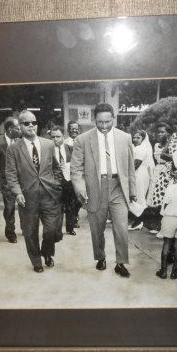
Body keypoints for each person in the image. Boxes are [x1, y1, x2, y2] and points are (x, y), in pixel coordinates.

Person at [70, 103, 137, 278]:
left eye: (108, 122)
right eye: (100, 122)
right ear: (95, 120)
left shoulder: (125, 137)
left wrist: (132, 191)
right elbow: (76, 169)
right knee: (97, 229)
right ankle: (100, 257)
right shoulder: (83, 140)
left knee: (122, 228)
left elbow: (130, 167)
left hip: (118, 188)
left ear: (114, 118)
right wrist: (80, 189)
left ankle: (121, 263)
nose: (104, 126)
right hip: (95, 189)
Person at [6, 110, 64, 273]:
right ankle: (36, 261)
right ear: (20, 126)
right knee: (30, 232)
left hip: (49, 194)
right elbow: (10, 174)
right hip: (27, 197)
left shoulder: (48, 144)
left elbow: (56, 167)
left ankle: (47, 252)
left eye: (34, 122)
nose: (31, 125)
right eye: (26, 123)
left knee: (51, 229)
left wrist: (57, 183)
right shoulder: (14, 149)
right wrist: (17, 193)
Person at [0, 117, 21, 243]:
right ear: (10, 129)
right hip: (6, 181)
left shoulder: (20, 141)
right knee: (9, 207)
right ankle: (10, 233)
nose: (20, 129)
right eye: (17, 127)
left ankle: (24, 228)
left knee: (24, 206)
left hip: (21, 180)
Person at [145, 122, 177, 233]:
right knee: (155, 199)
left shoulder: (172, 144)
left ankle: (162, 226)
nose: (160, 134)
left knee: (164, 197)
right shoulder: (156, 145)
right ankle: (156, 223)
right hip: (157, 171)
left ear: (168, 133)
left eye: (162, 132)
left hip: (167, 171)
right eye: (158, 132)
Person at [49, 126, 78, 237]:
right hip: (55, 181)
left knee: (71, 205)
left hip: (69, 181)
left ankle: (70, 228)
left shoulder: (70, 148)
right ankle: (57, 231)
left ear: (63, 136)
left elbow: (77, 163)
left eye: (58, 136)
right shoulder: (48, 150)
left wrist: (67, 166)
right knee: (57, 207)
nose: (55, 139)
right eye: (53, 137)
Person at [128, 129, 154, 230]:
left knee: (138, 196)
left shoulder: (141, 148)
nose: (135, 139)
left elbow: (136, 164)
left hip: (139, 173)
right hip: (140, 173)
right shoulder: (138, 148)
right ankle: (139, 220)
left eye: (138, 138)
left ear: (143, 139)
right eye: (134, 137)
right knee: (137, 196)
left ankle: (139, 221)